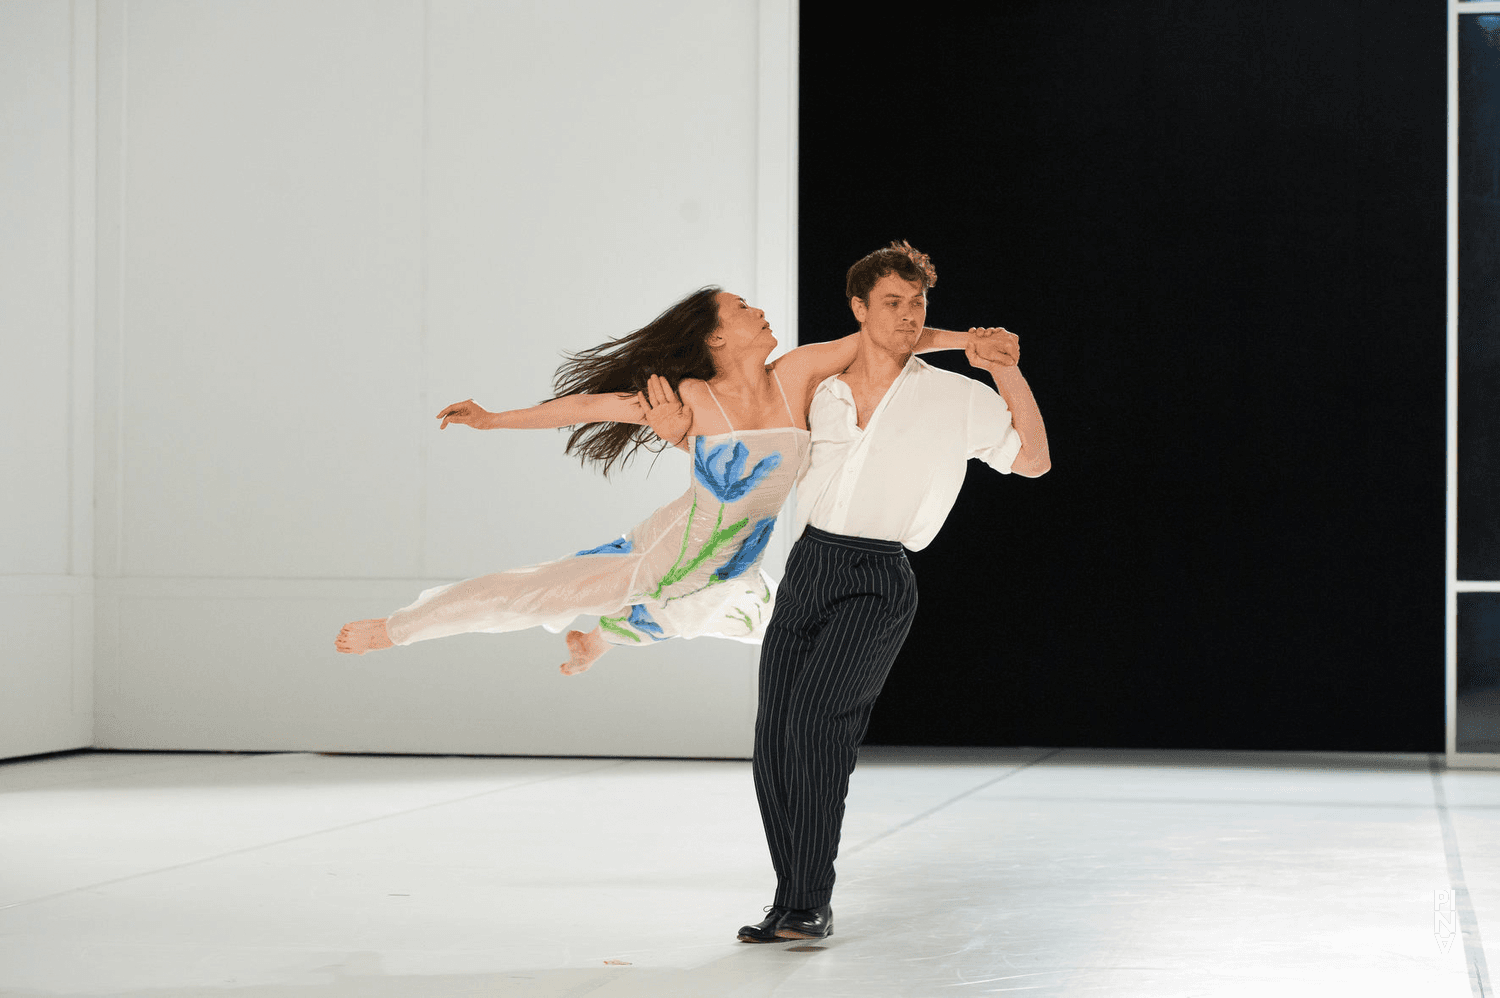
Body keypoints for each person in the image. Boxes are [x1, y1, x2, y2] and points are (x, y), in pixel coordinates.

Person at [333, 284, 1011, 674]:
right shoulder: (692, 397)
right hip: (671, 550)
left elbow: (887, 341)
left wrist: (967, 344)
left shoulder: (798, 373)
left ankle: (595, 639)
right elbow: (591, 407)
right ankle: (398, 628)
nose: (759, 312)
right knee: (533, 594)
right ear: (718, 338)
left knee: (728, 619)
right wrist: (495, 418)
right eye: (743, 308)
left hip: (733, 566)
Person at [738, 242, 1051, 944]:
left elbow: (1033, 461)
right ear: (859, 308)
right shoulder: (822, 385)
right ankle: (789, 898)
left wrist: (1004, 370)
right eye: (892, 303)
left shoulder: (955, 397)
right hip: (809, 565)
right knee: (774, 742)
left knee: (820, 726)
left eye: (918, 305)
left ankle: (808, 903)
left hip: (879, 579)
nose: (909, 317)